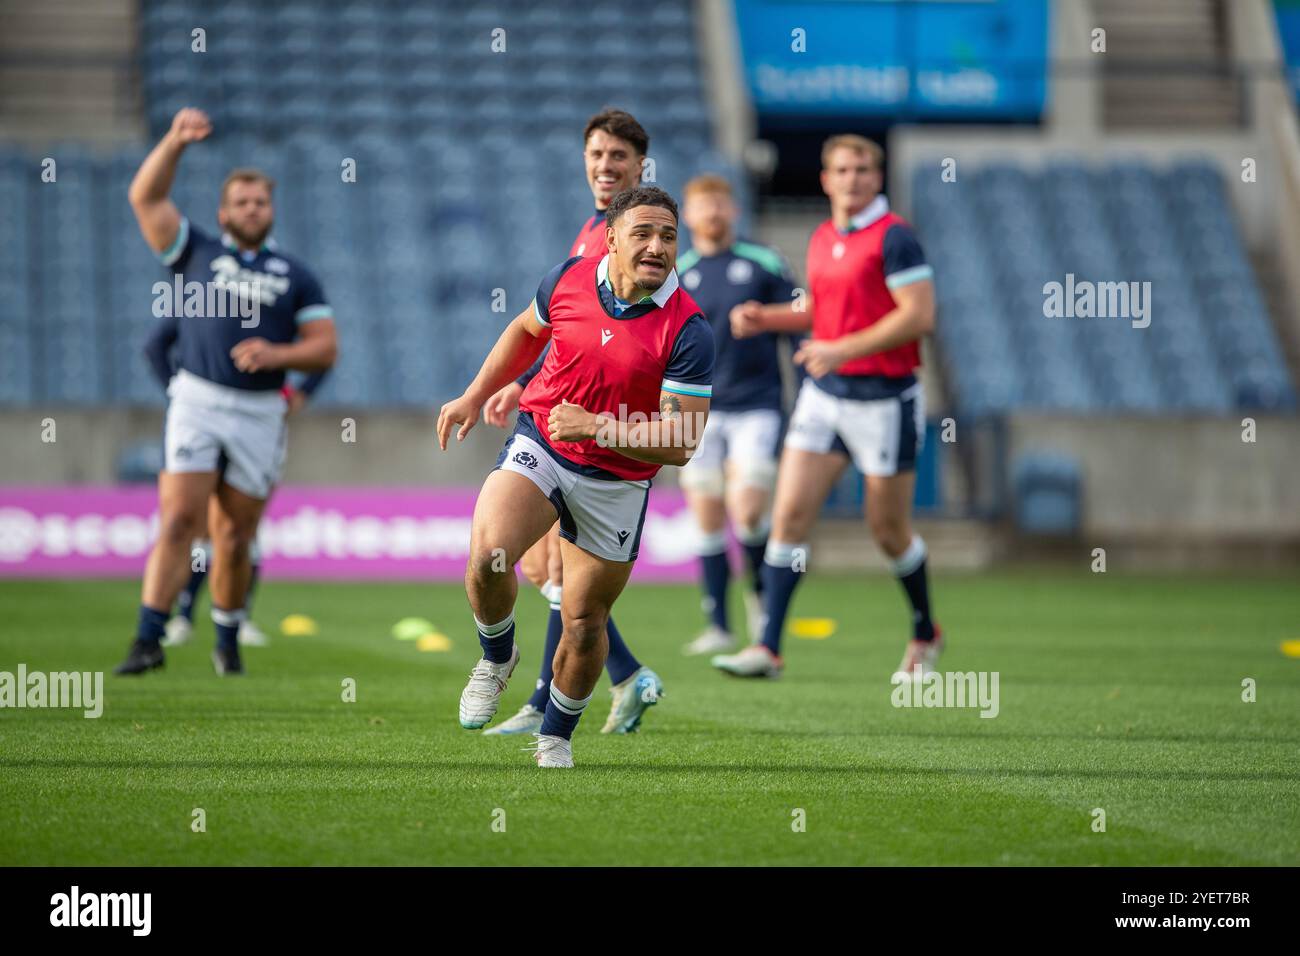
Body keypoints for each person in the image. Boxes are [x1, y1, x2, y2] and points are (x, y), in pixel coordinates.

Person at [437, 186, 713, 766]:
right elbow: (524, 332)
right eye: (642, 233)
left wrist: (597, 427)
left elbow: (682, 443)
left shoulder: (688, 329)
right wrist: (473, 395)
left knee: (585, 623)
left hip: (618, 480)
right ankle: (496, 656)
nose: (657, 246)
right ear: (610, 237)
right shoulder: (566, 278)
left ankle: (555, 736)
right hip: (544, 441)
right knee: (489, 555)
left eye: (667, 235)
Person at [113, 107, 338, 677]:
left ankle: (228, 634)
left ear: (271, 211)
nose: (251, 210)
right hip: (198, 400)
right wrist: (174, 142)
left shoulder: (294, 273)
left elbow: (325, 347)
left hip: (261, 409)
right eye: (241, 202)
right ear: (224, 211)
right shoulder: (196, 252)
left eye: (260, 202)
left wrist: (278, 356)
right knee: (177, 521)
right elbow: (145, 198)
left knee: (235, 535)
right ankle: (147, 638)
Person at [714, 135, 941, 680]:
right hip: (824, 397)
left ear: (877, 177)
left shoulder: (896, 239)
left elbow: (918, 316)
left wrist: (842, 348)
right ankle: (768, 647)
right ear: (825, 179)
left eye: (863, 169)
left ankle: (924, 630)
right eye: (842, 169)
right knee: (788, 517)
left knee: (887, 531)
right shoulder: (821, 237)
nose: (853, 178)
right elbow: (825, 310)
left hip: (884, 400)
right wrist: (768, 318)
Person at [479, 109, 665, 736]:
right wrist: (522, 384)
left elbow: (631, 345)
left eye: (619, 157)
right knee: (539, 567)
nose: (606, 166)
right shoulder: (592, 232)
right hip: (560, 422)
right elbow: (571, 330)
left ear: (641, 166)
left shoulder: (646, 245)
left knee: (557, 572)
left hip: (608, 439)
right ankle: (614, 678)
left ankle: (546, 704)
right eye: (596, 155)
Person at [672, 174, 796, 656]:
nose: (714, 213)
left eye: (722, 203)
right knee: (706, 516)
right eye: (704, 205)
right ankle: (718, 626)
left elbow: (800, 317)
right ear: (690, 213)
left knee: (747, 512)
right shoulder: (678, 271)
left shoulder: (763, 262)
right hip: (698, 409)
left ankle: (762, 605)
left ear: (734, 210)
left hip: (757, 404)